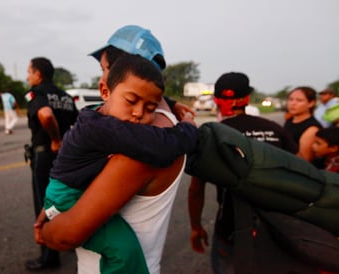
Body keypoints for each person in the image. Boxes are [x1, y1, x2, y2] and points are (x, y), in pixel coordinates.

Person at [34, 25, 194, 274]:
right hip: (66, 194)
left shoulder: (141, 137)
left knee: (122, 249)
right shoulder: (121, 122)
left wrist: (46, 233)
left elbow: (66, 235)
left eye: (106, 69)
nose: (102, 78)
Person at [188, 72, 298, 274]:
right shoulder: (274, 129)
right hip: (279, 226)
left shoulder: (211, 135)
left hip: (231, 228)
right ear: (247, 98)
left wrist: (196, 227)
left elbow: (196, 189)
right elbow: (300, 174)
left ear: (217, 100)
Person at [24, 57, 79, 271]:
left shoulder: (36, 93)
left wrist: (55, 139)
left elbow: (45, 115)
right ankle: (68, 240)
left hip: (46, 154)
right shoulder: (65, 96)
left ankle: (49, 257)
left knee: (44, 204)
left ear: (38, 74)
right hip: (65, 156)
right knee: (62, 201)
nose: (27, 76)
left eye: (29, 72)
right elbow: (77, 123)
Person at [284, 86, 322, 162]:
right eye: (291, 99)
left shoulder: (312, 129)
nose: (293, 103)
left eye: (299, 100)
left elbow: (304, 160)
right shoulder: (290, 120)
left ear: (311, 103)